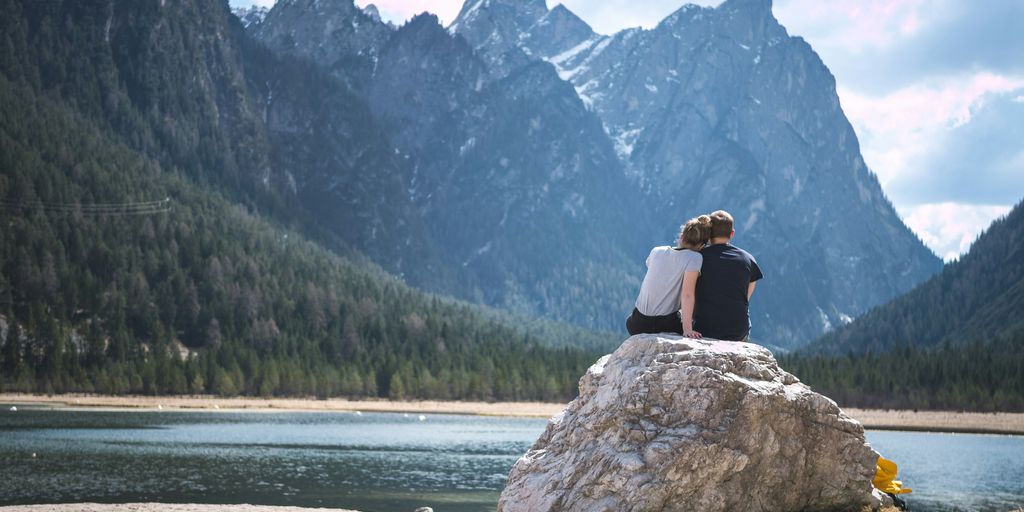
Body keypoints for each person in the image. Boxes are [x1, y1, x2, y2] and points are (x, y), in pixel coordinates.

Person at [626, 215, 712, 337]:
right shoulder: (695, 258)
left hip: (636, 323)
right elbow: (687, 294)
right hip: (664, 324)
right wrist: (687, 329)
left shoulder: (657, 251)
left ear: (682, 237)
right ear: (701, 246)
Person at [693, 210, 763, 341]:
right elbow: (746, 297)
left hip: (705, 329)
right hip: (738, 332)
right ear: (732, 234)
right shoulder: (748, 259)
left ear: (708, 234)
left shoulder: (697, 258)